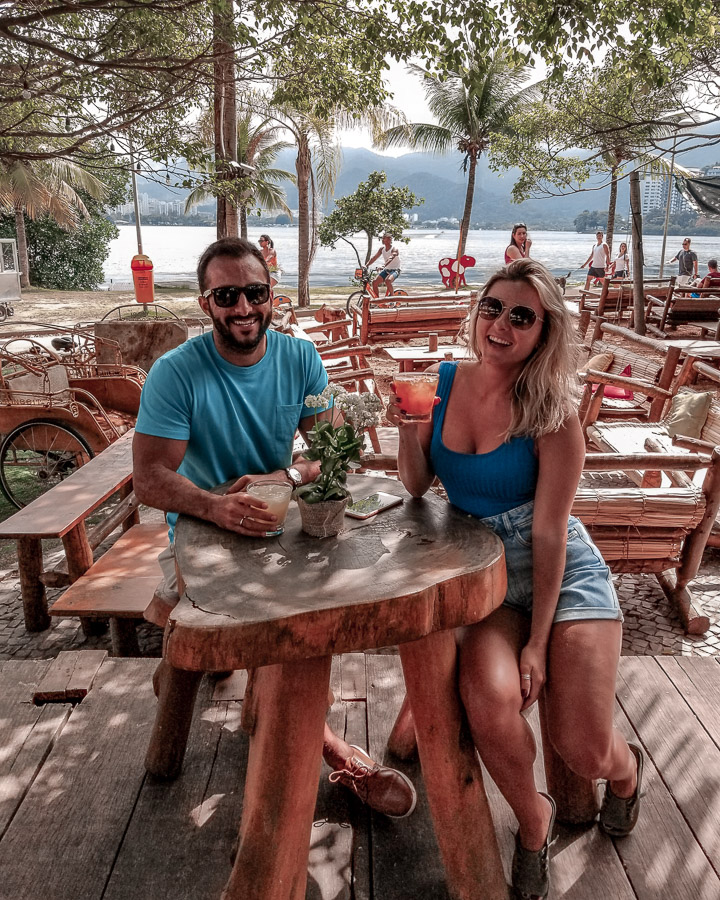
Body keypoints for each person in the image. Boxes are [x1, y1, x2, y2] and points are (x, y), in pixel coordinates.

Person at [133, 236, 416, 820]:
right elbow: (150, 479)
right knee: (275, 634)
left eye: (254, 292)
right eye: (226, 296)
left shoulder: (299, 358)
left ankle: (257, 699)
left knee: (304, 622)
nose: (243, 308)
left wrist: (284, 473)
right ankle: (337, 755)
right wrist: (214, 506)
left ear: (271, 294)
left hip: (282, 531)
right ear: (206, 303)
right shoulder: (176, 373)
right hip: (201, 538)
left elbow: (332, 449)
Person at [387, 258, 643, 899]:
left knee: (584, 749)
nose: (501, 324)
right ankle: (534, 821)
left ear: (544, 331)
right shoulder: (443, 383)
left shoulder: (554, 415)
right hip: (488, 572)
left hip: (563, 573)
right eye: (492, 308)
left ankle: (625, 771)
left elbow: (551, 534)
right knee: (486, 698)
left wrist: (537, 641)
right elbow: (416, 485)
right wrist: (410, 430)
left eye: (521, 316)